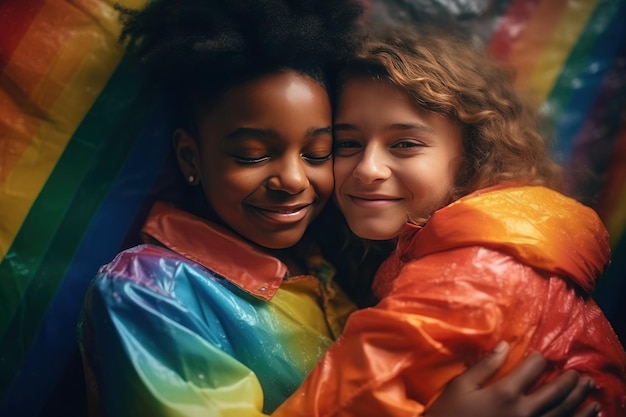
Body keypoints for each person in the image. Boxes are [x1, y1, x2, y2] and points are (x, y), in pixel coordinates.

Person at [78, 2, 598, 416]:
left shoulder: (333, 263)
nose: (293, 179)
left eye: (319, 152)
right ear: (191, 157)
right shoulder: (149, 291)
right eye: (253, 154)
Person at [272, 27, 626, 417]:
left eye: (405, 144)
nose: (368, 169)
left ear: (472, 156)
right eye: (347, 144)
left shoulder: (470, 273)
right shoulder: (497, 234)